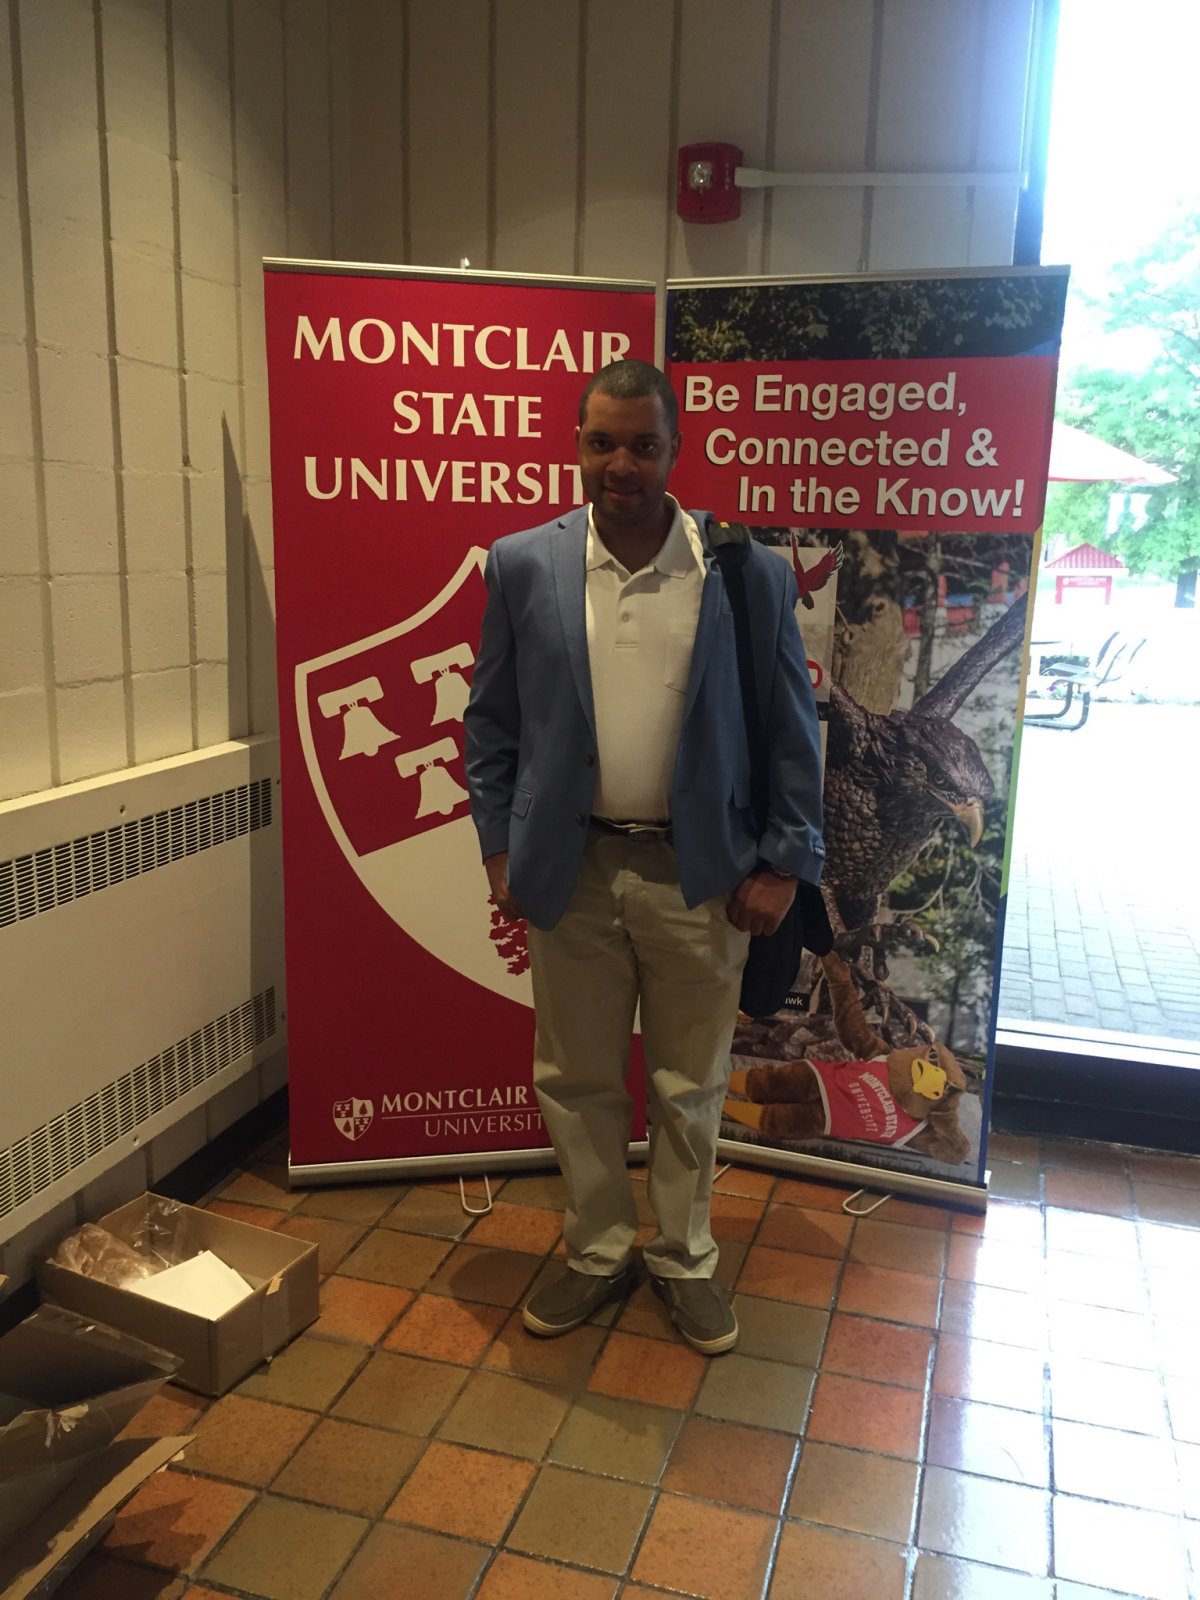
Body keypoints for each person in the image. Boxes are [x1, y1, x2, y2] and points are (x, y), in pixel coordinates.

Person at [463, 359, 825, 1355]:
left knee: (689, 1084)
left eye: (643, 445)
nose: (620, 464)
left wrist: (783, 864)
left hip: (700, 876)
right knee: (575, 1079)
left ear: (675, 450)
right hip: (568, 872)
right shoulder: (523, 563)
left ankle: (684, 1257)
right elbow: (490, 721)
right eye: (602, 443)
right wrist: (497, 845)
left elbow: (793, 732)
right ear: (577, 444)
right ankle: (596, 1250)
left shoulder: (744, 572)